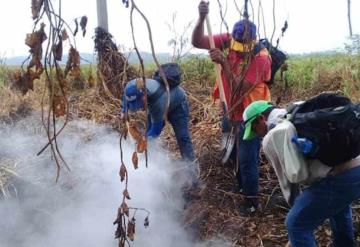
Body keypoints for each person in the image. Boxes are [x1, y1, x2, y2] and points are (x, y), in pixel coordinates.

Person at [242, 100, 360, 247]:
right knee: (338, 205)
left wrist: (297, 213)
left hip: (340, 177)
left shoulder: (273, 135)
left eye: (254, 130)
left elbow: (291, 181)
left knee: (295, 224)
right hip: (356, 167)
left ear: (260, 118)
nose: (257, 135)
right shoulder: (297, 110)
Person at [191, 1, 272, 215]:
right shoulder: (228, 40)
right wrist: (201, 17)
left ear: (252, 41)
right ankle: (242, 184)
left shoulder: (261, 57)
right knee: (236, 152)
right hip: (231, 108)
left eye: (243, 49)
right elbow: (198, 41)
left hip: (253, 114)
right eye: (236, 47)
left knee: (247, 158)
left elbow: (240, 86)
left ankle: (252, 202)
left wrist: (224, 63)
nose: (239, 52)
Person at [122, 65, 196, 163]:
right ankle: (148, 162)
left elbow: (156, 130)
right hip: (160, 102)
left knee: (182, 137)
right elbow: (126, 97)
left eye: (138, 104)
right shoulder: (131, 85)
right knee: (147, 133)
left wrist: (142, 141)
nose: (138, 108)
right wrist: (123, 111)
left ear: (144, 96)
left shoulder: (157, 103)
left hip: (177, 106)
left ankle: (190, 166)